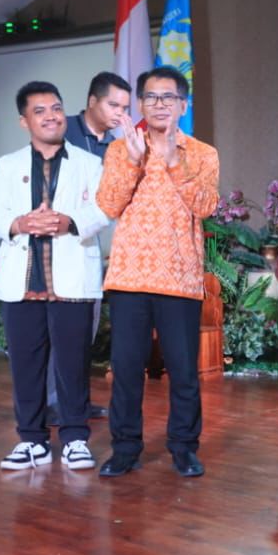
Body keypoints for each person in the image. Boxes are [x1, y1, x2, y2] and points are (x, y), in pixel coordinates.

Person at [95, 66, 219, 479]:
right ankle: (125, 448)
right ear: (141, 104)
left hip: (180, 278)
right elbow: (109, 205)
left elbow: (206, 206)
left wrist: (174, 164)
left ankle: (184, 447)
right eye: (151, 97)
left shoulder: (202, 153)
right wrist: (134, 162)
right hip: (129, 276)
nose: (159, 104)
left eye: (168, 97)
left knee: (183, 372)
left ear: (183, 104)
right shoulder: (121, 149)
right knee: (127, 370)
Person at [0, 82, 109, 472]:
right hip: (22, 281)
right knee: (26, 365)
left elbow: (104, 209)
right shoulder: (9, 164)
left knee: (73, 364)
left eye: (56, 108)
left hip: (72, 278)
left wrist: (70, 222)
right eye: (40, 111)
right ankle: (31, 441)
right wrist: (20, 223)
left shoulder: (90, 163)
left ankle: (74, 439)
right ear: (24, 121)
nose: (51, 116)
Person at [54, 69, 133, 422]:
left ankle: (77, 402)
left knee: (85, 329)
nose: (120, 113)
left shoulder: (117, 147)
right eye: (113, 105)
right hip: (54, 244)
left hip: (88, 244)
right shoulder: (63, 131)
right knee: (57, 332)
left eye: (125, 108)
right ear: (91, 101)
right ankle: (51, 404)